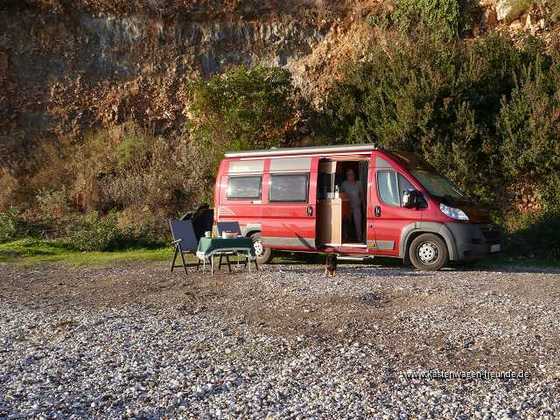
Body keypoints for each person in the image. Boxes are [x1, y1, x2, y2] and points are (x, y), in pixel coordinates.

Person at [341, 168, 363, 242]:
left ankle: (359, 239)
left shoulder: (358, 183)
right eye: (348, 175)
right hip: (347, 207)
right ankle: (346, 238)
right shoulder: (344, 184)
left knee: (358, 223)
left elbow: (362, 195)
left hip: (356, 207)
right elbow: (341, 195)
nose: (350, 176)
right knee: (346, 223)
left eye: (351, 174)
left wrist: (364, 206)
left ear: (354, 175)